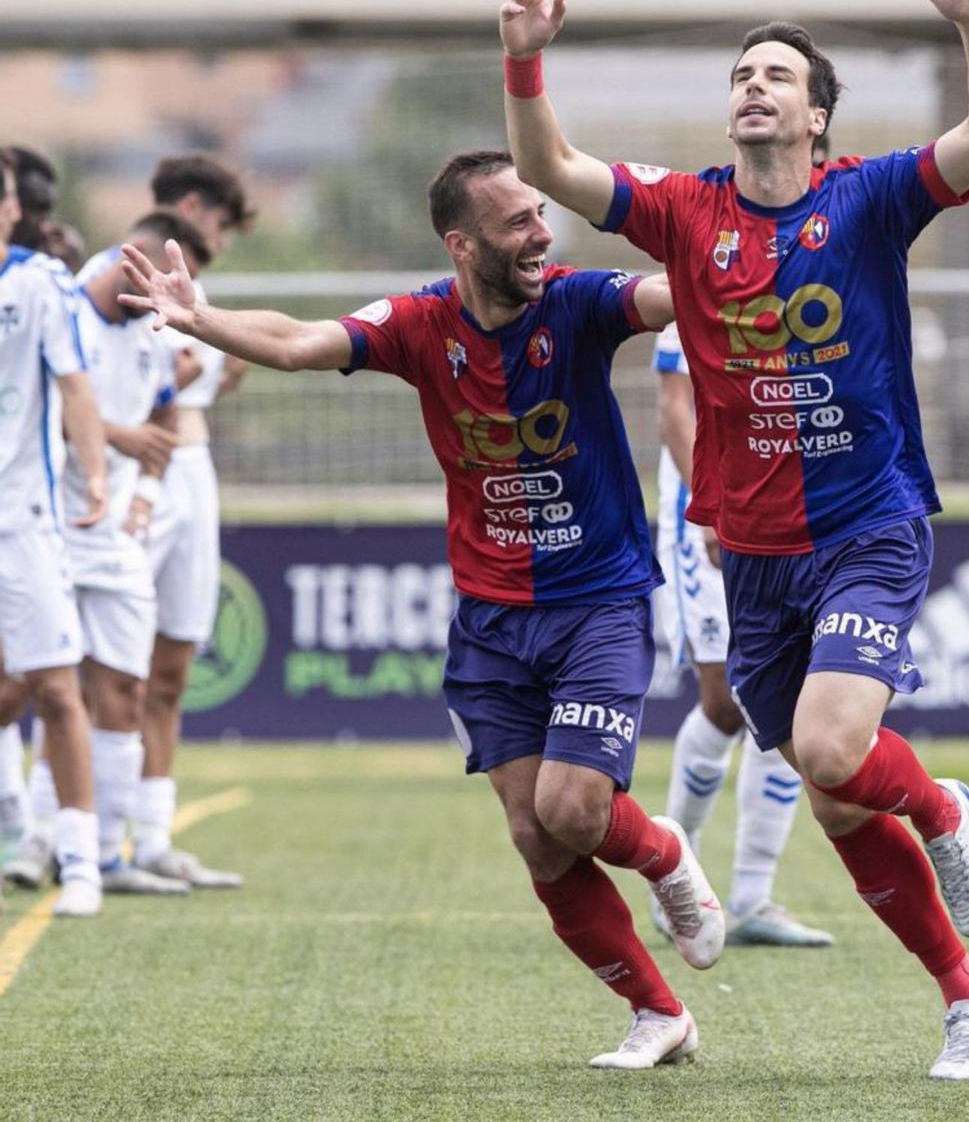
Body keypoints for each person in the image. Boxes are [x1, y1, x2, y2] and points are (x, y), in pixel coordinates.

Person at [500, 0, 969, 1081]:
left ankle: (941, 811)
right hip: (753, 549)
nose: (753, 88)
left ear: (816, 113)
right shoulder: (686, 211)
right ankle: (968, 997)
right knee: (837, 803)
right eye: (741, 75)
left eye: (777, 76)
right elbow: (549, 169)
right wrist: (525, 60)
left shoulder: (875, 196)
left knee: (836, 752)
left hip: (867, 525)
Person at [118, 149, 725, 1069]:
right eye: (518, 222)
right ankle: (658, 1013)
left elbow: (665, 297)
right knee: (534, 834)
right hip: (489, 618)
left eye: (539, 214)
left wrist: (746, 254)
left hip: (597, 599)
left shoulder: (576, 300)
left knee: (572, 808)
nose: (540, 233)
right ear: (461, 242)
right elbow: (298, 341)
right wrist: (202, 318)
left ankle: (666, 856)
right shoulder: (415, 324)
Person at [653, 319, 833, 948]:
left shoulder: (800, 275)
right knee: (725, 703)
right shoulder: (697, 274)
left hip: (788, 518)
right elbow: (676, 410)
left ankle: (754, 896)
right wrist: (714, 502)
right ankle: (675, 876)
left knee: (788, 699)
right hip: (708, 521)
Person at [62, 212, 210, 896]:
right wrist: (115, 438)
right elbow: (39, 406)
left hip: (114, 530)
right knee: (25, 686)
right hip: (40, 525)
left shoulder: (153, 332)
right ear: (129, 262)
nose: (166, 296)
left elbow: (162, 417)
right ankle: (35, 836)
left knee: (127, 686)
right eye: (156, 280)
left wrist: (147, 491)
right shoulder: (60, 313)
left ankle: (103, 855)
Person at [133, 154, 255, 888]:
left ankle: (151, 837)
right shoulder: (123, 272)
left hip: (192, 468)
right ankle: (57, 827)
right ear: (190, 206)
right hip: (138, 473)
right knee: (99, 662)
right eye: (220, 222)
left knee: (173, 662)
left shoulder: (193, 288)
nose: (222, 239)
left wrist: (222, 373)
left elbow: (193, 388)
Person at [0, 150, 108, 917]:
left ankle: (79, 861)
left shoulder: (39, 284)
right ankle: (23, 829)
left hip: (22, 521)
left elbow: (74, 385)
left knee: (54, 687)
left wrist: (96, 476)